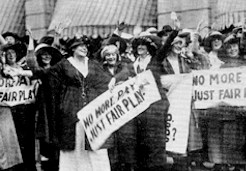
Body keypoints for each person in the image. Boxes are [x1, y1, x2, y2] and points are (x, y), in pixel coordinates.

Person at [45, 38, 111, 171]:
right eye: (79, 46)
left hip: (93, 110)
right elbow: (52, 86)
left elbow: (105, 82)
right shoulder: (62, 65)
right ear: (72, 49)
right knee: (75, 143)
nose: (84, 48)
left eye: (85, 46)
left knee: (95, 143)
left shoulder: (93, 64)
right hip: (71, 110)